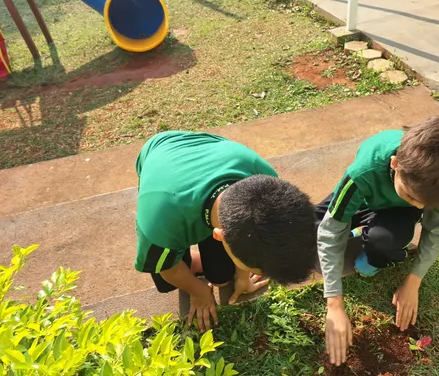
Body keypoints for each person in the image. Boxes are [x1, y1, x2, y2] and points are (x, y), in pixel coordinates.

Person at [316, 114, 439, 366]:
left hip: (395, 212)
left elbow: (436, 231)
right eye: (413, 198)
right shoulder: (363, 173)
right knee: (309, 230)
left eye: (427, 204)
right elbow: (329, 231)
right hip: (368, 196)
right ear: (394, 165)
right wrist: (334, 303)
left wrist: (414, 281)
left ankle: (374, 236)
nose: (421, 206)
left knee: (385, 242)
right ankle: (362, 225)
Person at [133, 131, 318, 332]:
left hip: (220, 158)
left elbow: (256, 231)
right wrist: (199, 291)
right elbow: (167, 269)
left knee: (222, 276)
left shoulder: (269, 187)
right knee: (167, 274)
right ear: (219, 235)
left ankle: (199, 262)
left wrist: (242, 277)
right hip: (161, 154)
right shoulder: (159, 226)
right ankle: (185, 257)